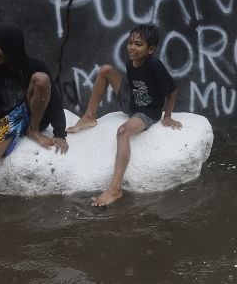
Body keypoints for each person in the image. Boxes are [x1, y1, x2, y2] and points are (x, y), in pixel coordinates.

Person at [66, 24, 181, 206]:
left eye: (138, 44)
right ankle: (89, 117)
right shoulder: (130, 63)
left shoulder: (154, 65)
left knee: (122, 132)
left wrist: (167, 115)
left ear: (151, 49)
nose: (132, 48)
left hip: (147, 112)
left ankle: (115, 188)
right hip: (131, 103)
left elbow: (172, 90)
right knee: (105, 69)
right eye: (130, 43)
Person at [0, 21, 69, 208]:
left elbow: (54, 98)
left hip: (33, 114)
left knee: (41, 78)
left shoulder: (34, 66)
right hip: (8, 120)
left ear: (11, 46)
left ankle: (32, 131)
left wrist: (60, 132)